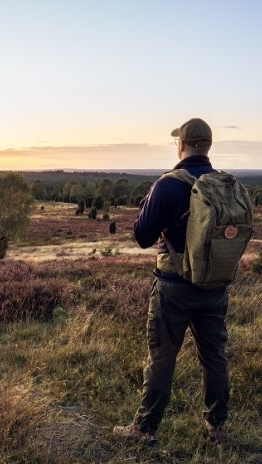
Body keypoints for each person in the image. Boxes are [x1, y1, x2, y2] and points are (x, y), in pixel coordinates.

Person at [113, 118, 230, 445]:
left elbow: (141, 236)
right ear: (207, 145)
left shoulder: (168, 184)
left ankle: (144, 430)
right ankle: (216, 427)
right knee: (215, 357)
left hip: (173, 288)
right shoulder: (225, 184)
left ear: (182, 144)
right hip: (215, 287)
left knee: (163, 359)